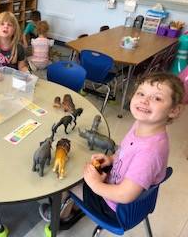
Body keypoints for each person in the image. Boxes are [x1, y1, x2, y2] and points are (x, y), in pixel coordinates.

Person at [39, 72, 185, 228]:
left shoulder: (150, 152)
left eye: (157, 98)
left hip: (115, 208)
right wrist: (112, 159)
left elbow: (126, 194)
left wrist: (96, 186)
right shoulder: (142, 124)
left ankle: (62, 217)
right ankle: (74, 203)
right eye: (141, 93)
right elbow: (125, 150)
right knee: (84, 168)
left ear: (174, 110)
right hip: (118, 185)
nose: (145, 100)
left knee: (68, 181)